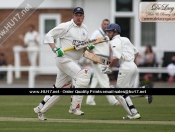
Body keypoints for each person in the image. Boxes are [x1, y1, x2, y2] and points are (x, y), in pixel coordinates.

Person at [33, 7, 95, 121]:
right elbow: (49, 35)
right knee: (84, 74)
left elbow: (81, 47)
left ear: (83, 17)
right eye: (77, 15)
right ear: (73, 16)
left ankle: (41, 110)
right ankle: (74, 107)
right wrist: (55, 48)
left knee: (59, 89)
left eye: (81, 15)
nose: (79, 17)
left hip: (73, 61)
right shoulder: (66, 26)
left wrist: (88, 47)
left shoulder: (85, 29)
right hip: (64, 59)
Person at [102, 23, 153, 119]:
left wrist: (110, 67)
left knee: (120, 93)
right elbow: (136, 52)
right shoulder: (126, 39)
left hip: (126, 67)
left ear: (115, 31)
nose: (107, 34)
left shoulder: (114, 41)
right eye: (107, 32)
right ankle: (142, 91)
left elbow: (116, 57)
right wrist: (128, 63)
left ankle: (134, 113)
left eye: (109, 32)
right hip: (133, 66)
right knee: (126, 93)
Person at [86, 19, 120, 106]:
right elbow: (90, 45)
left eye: (108, 24)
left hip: (104, 59)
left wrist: (109, 57)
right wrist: (93, 57)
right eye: (104, 24)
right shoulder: (97, 33)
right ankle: (113, 101)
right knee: (104, 79)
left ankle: (89, 100)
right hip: (98, 58)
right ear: (101, 24)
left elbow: (108, 46)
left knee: (96, 80)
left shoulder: (107, 35)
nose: (106, 25)